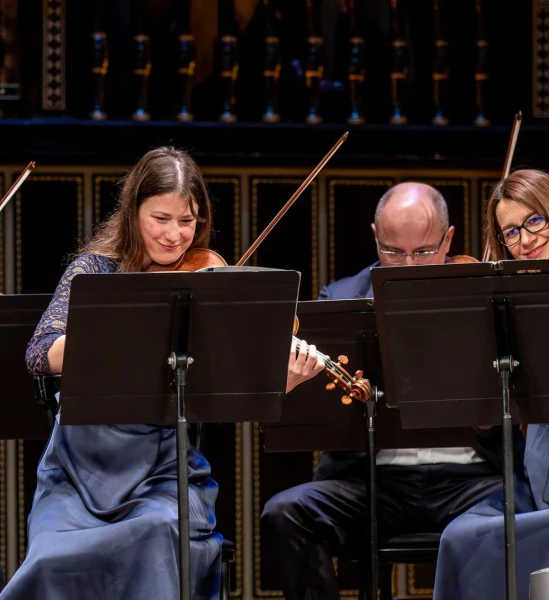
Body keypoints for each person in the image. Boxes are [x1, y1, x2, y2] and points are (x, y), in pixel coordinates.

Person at [2, 147, 324, 600]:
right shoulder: (94, 270)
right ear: (133, 212)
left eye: (187, 221)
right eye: (160, 219)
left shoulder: (204, 282)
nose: (174, 236)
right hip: (77, 472)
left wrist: (276, 384)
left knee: (157, 530)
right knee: (50, 559)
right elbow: (40, 354)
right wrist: (127, 329)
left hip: (165, 474)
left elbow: (223, 393)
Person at [261, 182, 507, 600]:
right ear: (376, 237)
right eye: (393, 251)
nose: (407, 266)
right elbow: (318, 414)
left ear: (448, 239)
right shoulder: (340, 298)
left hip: (471, 481)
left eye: (423, 252)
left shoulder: (484, 294)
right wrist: (290, 385)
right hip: (374, 483)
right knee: (285, 513)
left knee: (535, 509)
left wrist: (486, 413)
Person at [433, 169, 549, 600]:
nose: (525, 240)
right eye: (511, 232)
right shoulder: (511, 300)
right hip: (536, 483)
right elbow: (500, 432)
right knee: (460, 537)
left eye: (535, 221)